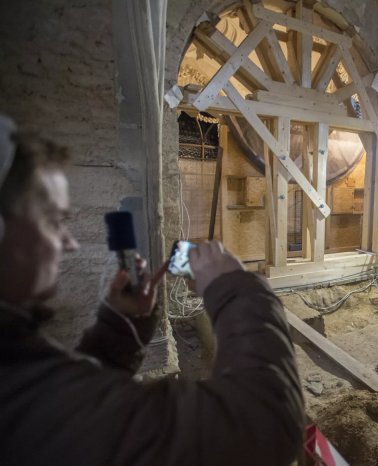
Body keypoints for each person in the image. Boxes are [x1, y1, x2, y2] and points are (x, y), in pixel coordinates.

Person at [0, 118, 304, 465]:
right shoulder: (21, 396)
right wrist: (234, 288)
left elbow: (79, 400)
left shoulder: (19, 372)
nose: (69, 243)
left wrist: (119, 328)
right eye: (53, 221)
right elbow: (262, 427)